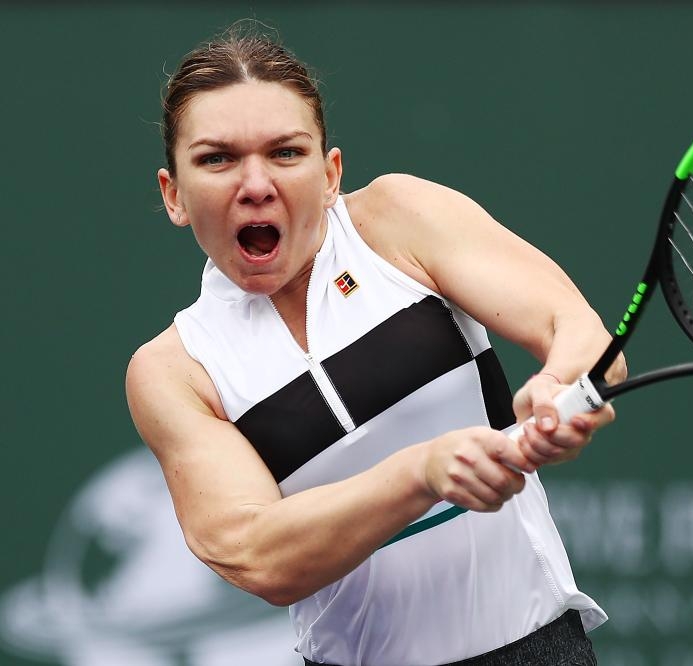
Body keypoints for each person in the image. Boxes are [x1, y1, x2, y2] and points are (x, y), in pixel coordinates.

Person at [125, 22, 626, 666]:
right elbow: (258, 552)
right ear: (174, 196)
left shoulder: (396, 221)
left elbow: (580, 335)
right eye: (217, 159)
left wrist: (563, 389)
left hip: (531, 646)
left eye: (286, 152)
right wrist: (421, 473)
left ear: (331, 174)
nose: (255, 185)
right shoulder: (175, 371)